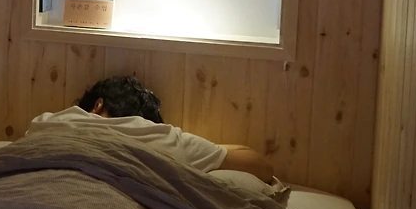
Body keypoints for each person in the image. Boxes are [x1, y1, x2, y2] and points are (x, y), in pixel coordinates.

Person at [26, 75, 274, 182]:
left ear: (97, 104)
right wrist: (200, 147)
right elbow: (260, 167)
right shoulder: (160, 138)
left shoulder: (47, 122)